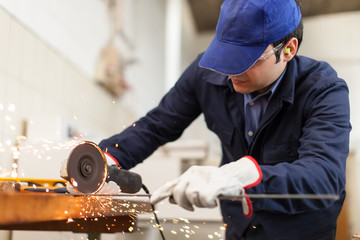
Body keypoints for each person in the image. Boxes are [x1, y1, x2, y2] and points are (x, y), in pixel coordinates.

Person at [98, 0, 351, 239]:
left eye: (247, 59)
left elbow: (324, 177)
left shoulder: (324, 89)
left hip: (301, 231)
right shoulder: (205, 74)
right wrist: (102, 159)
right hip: (239, 228)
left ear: (288, 49)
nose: (231, 70)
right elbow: (156, 126)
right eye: (227, 53)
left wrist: (246, 176)